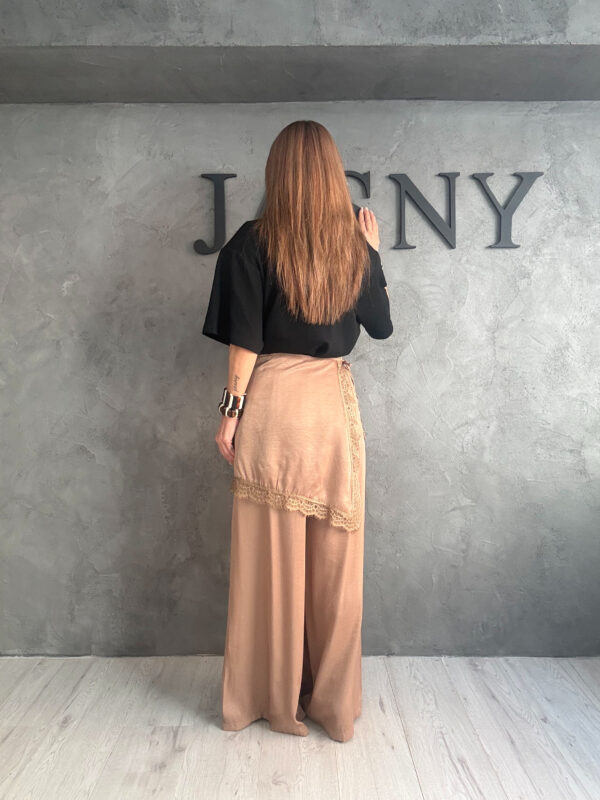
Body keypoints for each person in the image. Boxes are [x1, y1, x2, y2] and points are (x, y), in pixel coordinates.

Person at [201, 120, 393, 743]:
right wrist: (373, 254)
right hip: (331, 412)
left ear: (276, 173)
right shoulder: (353, 248)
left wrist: (230, 411)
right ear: (333, 173)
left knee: (270, 562)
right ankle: (332, 704)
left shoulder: (250, 243)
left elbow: (245, 342)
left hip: (274, 407)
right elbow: (381, 326)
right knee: (335, 563)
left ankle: (270, 697)